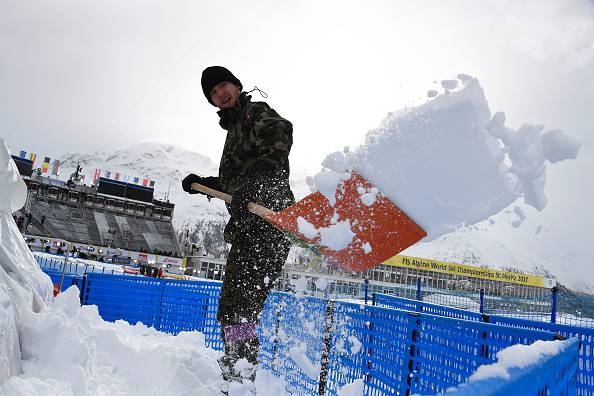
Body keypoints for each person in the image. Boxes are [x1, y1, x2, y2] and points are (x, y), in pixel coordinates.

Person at [182, 66, 294, 386]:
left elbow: (280, 131)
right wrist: (204, 183)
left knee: (241, 306)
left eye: (224, 86)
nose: (221, 93)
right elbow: (235, 184)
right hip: (248, 227)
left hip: (270, 223)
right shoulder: (234, 132)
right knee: (233, 306)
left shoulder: (252, 112)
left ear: (237, 85)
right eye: (214, 93)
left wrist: (258, 175)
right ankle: (238, 374)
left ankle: (241, 379)